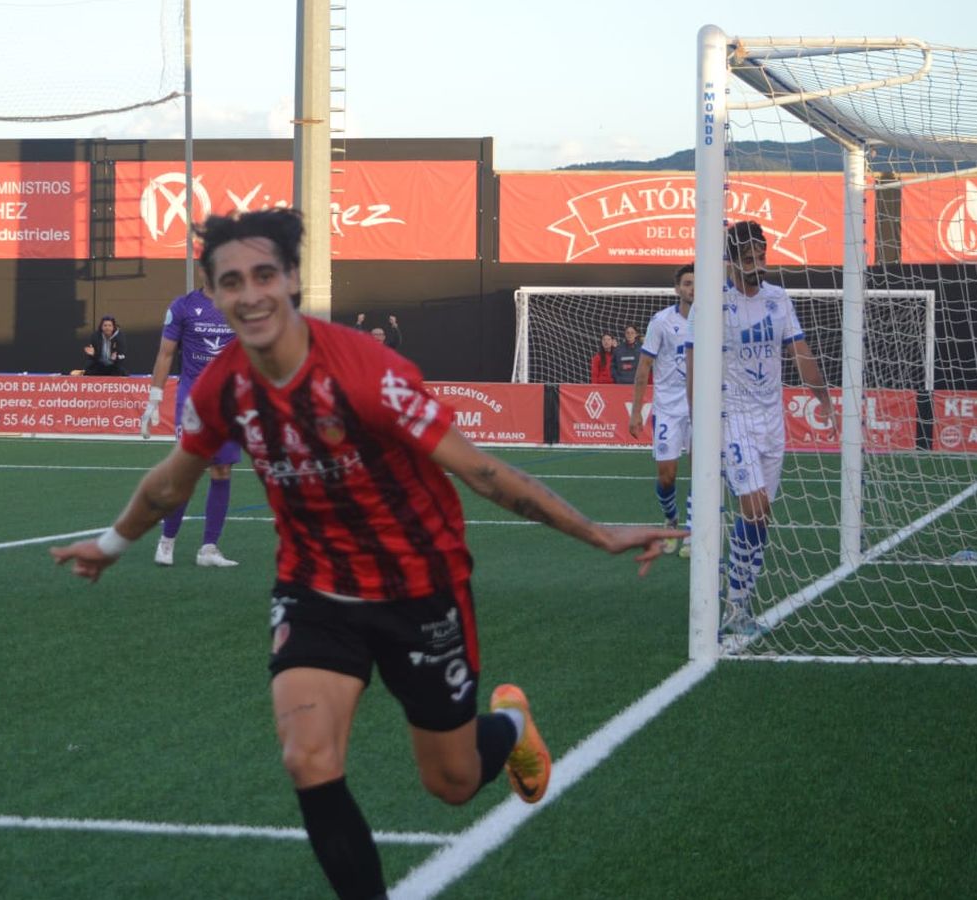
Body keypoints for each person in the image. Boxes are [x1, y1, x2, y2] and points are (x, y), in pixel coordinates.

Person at [53, 209, 683, 900]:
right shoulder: (223, 386)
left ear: (293, 278)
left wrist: (597, 533)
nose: (251, 293)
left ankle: (509, 724)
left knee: (453, 783)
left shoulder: (364, 372)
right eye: (231, 281)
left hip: (421, 586)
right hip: (315, 589)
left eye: (265, 274)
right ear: (213, 292)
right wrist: (113, 544)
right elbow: (173, 478)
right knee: (307, 757)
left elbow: (481, 472)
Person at [686, 220, 834, 636]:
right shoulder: (711, 303)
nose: (757, 265)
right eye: (748, 258)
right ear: (731, 260)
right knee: (754, 507)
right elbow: (694, 363)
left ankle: (741, 599)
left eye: (761, 256)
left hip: (773, 420)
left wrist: (821, 396)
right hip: (731, 418)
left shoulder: (778, 299)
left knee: (763, 517)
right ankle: (733, 607)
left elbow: (799, 349)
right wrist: (699, 424)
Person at [139, 286, 239, 568]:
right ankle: (167, 541)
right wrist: (154, 399)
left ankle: (208, 549)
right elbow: (165, 354)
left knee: (221, 470)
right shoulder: (183, 306)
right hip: (193, 400)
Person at [629, 264, 695, 556]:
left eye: (696, 283)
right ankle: (671, 521)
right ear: (677, 289)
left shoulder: (714, 320)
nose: (692, 288)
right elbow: (644, 366)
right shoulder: (662, 321)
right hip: (668, 408)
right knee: (666, 475)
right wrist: (636, 411)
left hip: (701, 407)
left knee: (703, 470)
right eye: (687, 283)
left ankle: (692, 531)